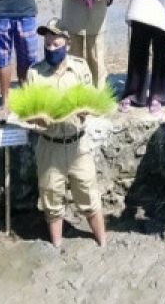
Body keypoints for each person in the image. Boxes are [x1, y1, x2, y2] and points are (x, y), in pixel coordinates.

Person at [26, 18, 107, 248]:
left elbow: (92, 102)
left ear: (67, 44)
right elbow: (27, 113)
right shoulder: (35, 73)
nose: (51, 48)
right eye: (47, 44)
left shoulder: (80, 69)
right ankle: (57, 245)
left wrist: (86, 110)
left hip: (78, 146)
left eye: (55, 44)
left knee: (89, 194)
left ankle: (102, 243)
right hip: (49, 146)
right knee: (51, 200)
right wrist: (37, 118)